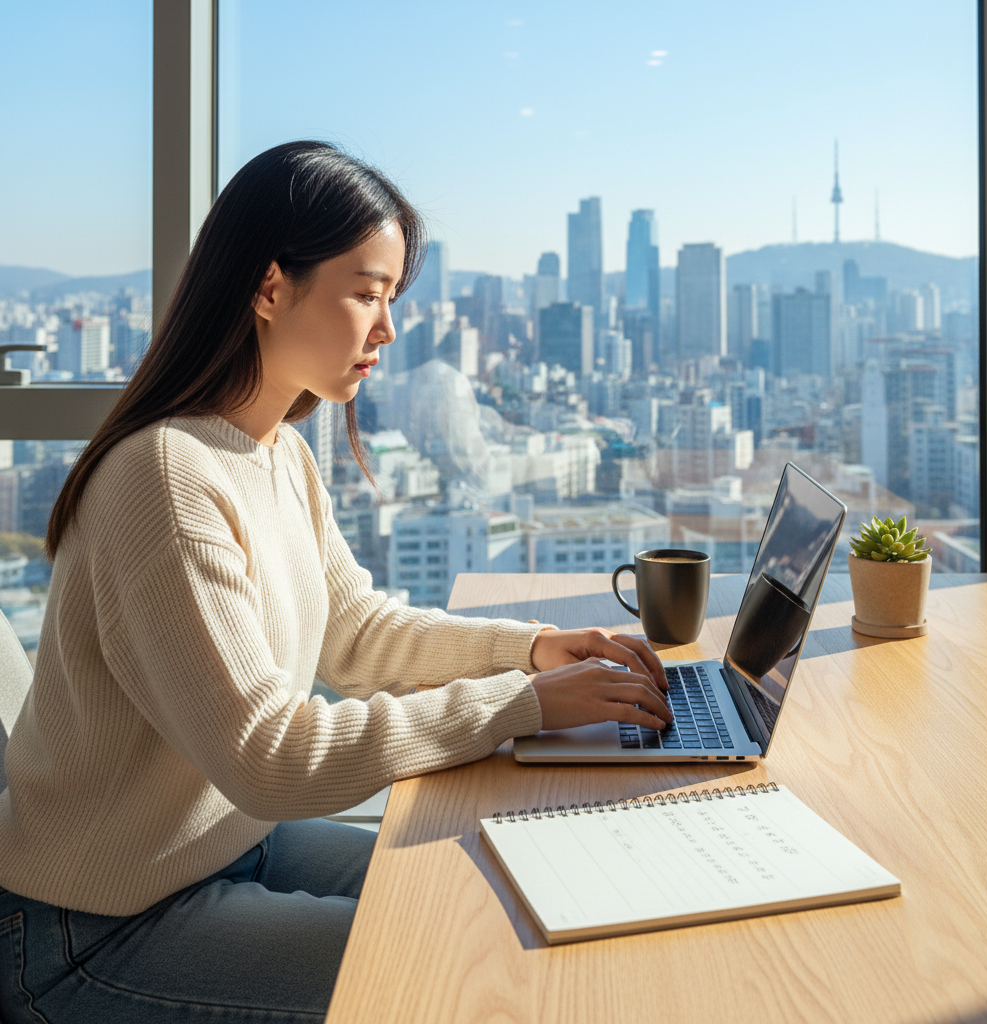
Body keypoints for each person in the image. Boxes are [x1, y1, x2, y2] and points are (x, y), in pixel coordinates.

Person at [0, 141, 672, 1024]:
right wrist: (529, 702)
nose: (388, 329)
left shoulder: (278, 450)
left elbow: (355, 634)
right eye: (367, 293)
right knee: (451, 968)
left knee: (500, 893)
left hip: (227, 850)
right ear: (270, 288)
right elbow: (273, 758)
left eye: (391, 298)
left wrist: (535, 650)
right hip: (94, 926)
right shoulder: (166, 477)